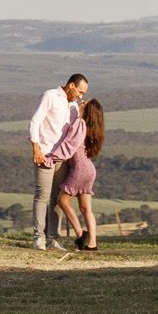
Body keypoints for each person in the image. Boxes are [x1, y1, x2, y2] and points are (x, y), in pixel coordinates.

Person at [28, 72, 87, 250]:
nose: (81, 96)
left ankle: (53, 238)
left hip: (62, 158)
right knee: (42, 196)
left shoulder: (74, 107)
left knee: (57, 199)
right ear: (71, 86)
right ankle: (38, 237)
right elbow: (35, 121)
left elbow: (75, 132)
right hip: (44, 154)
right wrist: (36, 148)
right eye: (80, 91)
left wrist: (82, 114)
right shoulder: (50, 96)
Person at [53, 96, 104, 251]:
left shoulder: (80, 124)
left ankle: (81, 235)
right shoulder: (93, 130)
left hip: (80, 169)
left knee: (62, 200)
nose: (81, 103)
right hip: (90, 170)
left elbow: (69, 139)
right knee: (86, 209)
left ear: (87, 111)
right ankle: (92, 244)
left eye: (84, 103)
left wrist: (79, 114)